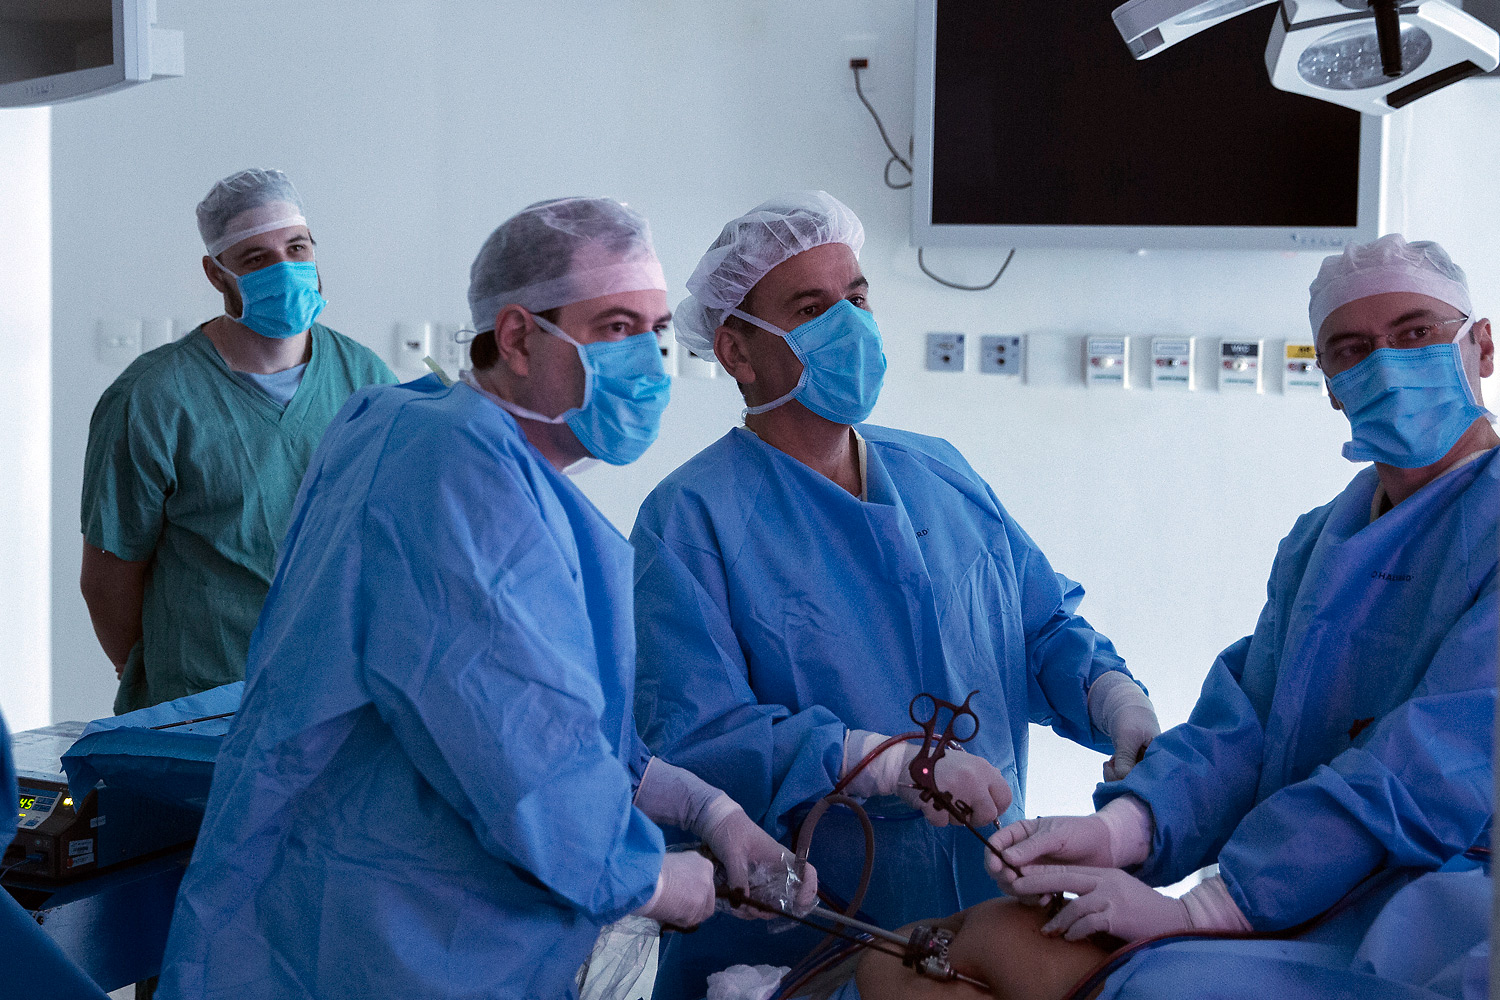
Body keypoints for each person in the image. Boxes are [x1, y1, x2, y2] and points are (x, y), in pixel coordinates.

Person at [154, 197, 814, 1000]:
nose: (648, 358)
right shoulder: (458, 476)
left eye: (657, 330)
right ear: (517, 336)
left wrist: (714, 814)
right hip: (388, 941)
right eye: (613, 328)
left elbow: (564, 732)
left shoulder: (428, 429)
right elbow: (522, 748)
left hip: (396, 921)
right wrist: (647, 878)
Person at [632, 191, 1158, 999]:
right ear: (737, 351)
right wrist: (879, 763)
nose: (849, 323)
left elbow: (1040, 626)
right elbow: (696, 737)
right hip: (802, 931)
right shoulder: (691, 517)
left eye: (857, 296)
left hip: (979, 911)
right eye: (811, 308)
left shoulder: (937, 470)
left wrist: (1116, 702)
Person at [947, 234, 1496, 1000]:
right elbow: (1247, 729)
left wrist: (1214, 906)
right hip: (1304, 898)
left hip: (1454, 918)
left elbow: (1427, 768)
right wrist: (1124, 831)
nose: (1387, 362)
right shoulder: (1320, 544)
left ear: (1483, 345)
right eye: (1352, 348)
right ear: (1332, 383)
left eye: (1415, 334)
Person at [80, 168, 396, 714]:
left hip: (335, 702)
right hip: (202, 704)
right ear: (216, 272)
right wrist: (168, 683)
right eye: (256, 258)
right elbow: (109, 576)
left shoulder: (364, 378)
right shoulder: (153, 397)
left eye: (297, 248)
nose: (286, 268)